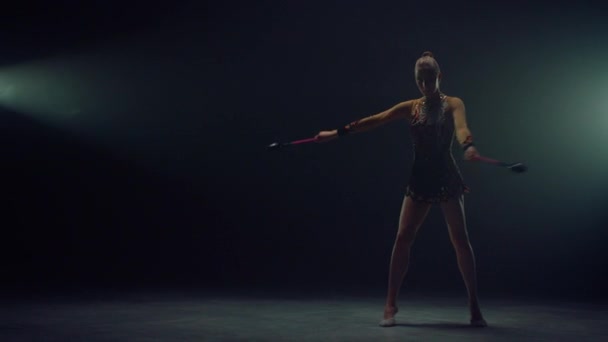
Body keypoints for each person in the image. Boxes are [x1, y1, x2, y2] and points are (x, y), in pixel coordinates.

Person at [314, 51, 487, 327]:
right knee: (403, 237)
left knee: (460, 241)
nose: (425, 85)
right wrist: (335, 134)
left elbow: (462, 128)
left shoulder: (454, 103)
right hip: (420, 177)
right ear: (415, 80)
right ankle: (390, 304)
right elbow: (376, 119)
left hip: (445, 175)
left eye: (429, 80)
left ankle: (474, 306)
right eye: (420, 80)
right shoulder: (410, 106)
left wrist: (469, 145)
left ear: (439, 77)